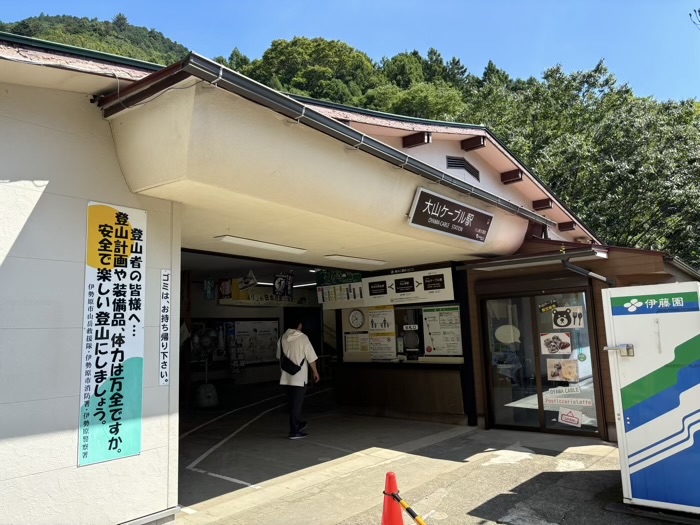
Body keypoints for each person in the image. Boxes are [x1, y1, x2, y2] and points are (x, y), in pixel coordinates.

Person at [277, 315, 320, 439]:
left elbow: (279, 358)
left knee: (292, 404)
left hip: (285, 378)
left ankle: (298, 423)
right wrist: (315, 372)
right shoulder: (303, 338)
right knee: (297, 405)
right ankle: (294, 431)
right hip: (299, 378)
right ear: (299, 325)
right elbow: (311, 358)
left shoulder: (281, 339)